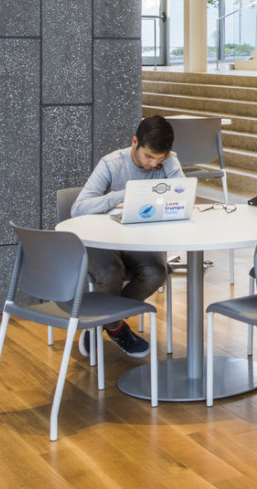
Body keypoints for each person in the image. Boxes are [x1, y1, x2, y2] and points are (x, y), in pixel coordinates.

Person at [71, 114, 183, 358]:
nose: (154, 164)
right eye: (149, 156)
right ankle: (116, 326)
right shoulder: (112, 164)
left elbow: (183, 201)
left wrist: (172, 166)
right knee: (112, 272)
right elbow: (78, 209)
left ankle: (101, 322)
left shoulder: (167, 165)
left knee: (157, 272)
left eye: (160, 159)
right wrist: (122, 195)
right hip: (100, 239)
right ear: (134, 142)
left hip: (138, 239)